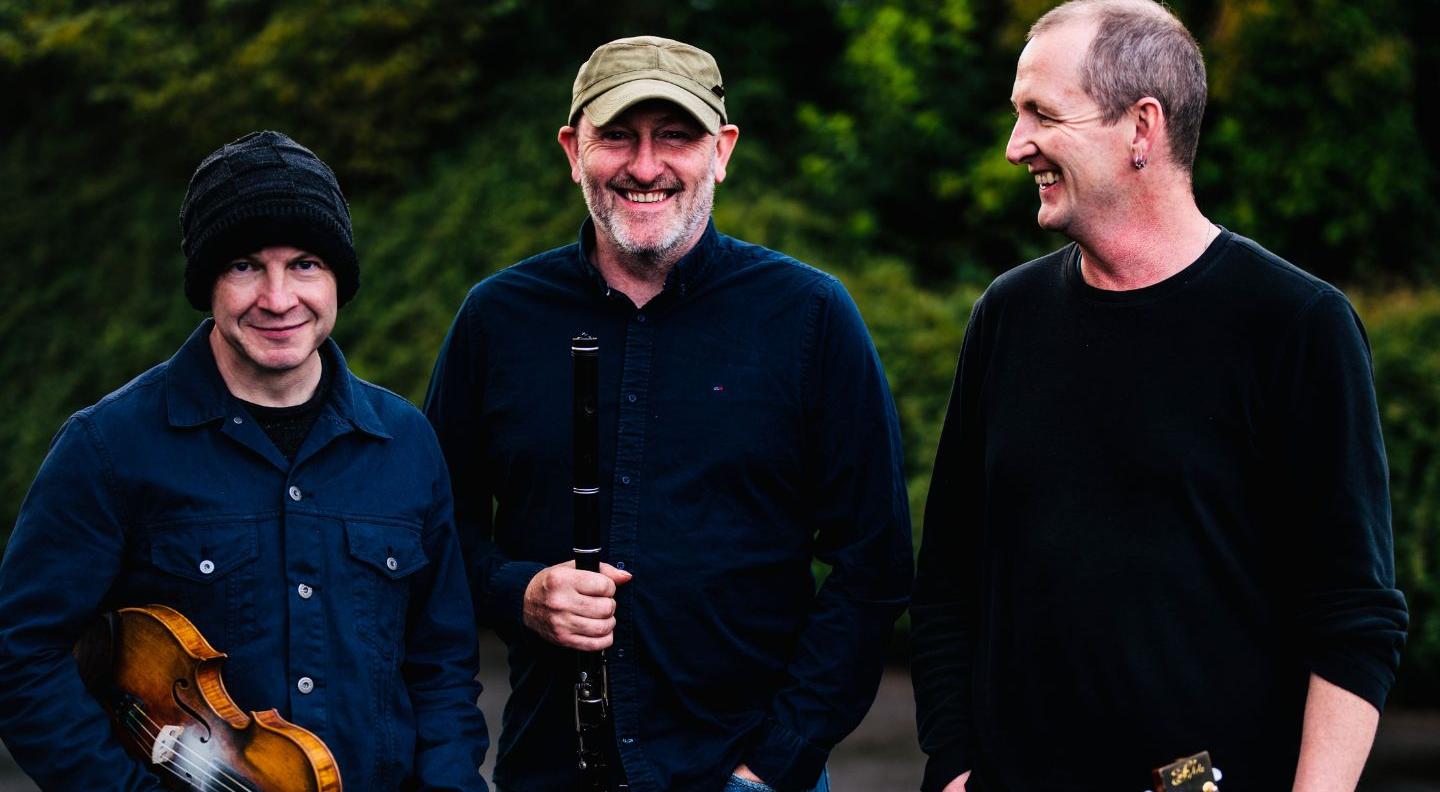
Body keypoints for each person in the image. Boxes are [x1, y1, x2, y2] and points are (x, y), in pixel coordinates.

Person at [910, 2, 1409, 790]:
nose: (1015, 147)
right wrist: (952, 765)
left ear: (1141, 128)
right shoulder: (1008, 317)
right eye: (1017, 114)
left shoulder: (1296, 326)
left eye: (1042, 113)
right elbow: (947, 579)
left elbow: (1355, 614)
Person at [424, 35, 913, 792]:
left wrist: (772, 764)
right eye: (617, 135)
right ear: (571, 149)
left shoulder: (810, 315)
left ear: (721, 150)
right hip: (552, 768)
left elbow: (872, 565)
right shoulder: (497, 319)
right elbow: (433, 527)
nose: (645, 166)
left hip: (747, 774)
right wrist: (517, 591)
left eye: (675, 137)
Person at [0, 131, 488, 790]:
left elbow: (443, 666)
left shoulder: (406, 444)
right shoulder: (108, 447)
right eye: (245, 266)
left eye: (306, 263)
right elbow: (21, 655)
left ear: (339, 276)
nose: (279, 298)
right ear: (207, 284)